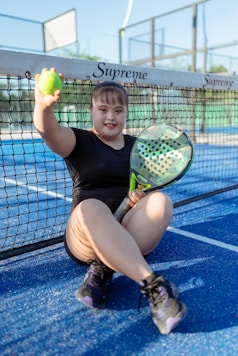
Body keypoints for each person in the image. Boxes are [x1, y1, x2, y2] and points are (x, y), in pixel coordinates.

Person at [33, 68, 187, 335]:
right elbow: (49, 132)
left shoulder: (138, 146)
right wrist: (43, 106)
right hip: (85, 236)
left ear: (126, 113)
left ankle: (104, 269)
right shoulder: (79, 141)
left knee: (161, 201)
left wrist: (144, 196)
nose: (111, 116)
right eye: (103, 109)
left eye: (118, 110)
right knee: (91, 207)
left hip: (127, 233)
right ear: (91, 111)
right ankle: (152, 285)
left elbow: (152, 185)